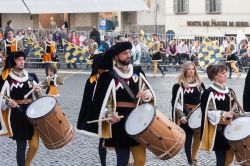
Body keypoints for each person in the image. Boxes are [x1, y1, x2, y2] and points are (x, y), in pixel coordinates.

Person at [77, 41, 156, 166]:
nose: (128, 55)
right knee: (122, 162)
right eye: (124, 53)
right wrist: (109, 115)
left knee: (140, 160)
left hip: (137, 121)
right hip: (119, 124)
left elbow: (148, 90)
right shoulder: (107, 76)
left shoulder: (137, 71)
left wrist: (147, 95)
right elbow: (100, 101)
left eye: (129, 52)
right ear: (116, 56)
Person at [0, 51, 41, 166]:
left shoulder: (31, 76)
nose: (22, 61)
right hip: (17, 115)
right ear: (14, 61)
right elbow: (2, 98)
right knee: (21, 147)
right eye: (19, 60)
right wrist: (8, 103)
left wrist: (38, 92)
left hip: (32, 113)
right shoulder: (7, 79)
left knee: (34, 145)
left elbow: (38, 98)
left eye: (23, 59)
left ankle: (27, 163)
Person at [200, 64, 240, 166]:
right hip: (218, 131)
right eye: (222, 73)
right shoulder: (208, 92)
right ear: (215, 76)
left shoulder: (230, 91)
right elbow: (208, 112)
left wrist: (236, 113)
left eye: (226, 72)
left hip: (231, 129)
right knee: (221, 160)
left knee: (230, 158)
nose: (226, 75)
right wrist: (224, 113)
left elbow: (236, 108)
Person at [171, 61, 205, 166]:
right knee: (188, 138)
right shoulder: (179, 85)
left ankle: (194, 157)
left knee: (198, 137)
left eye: (193, 69)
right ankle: (190, 160)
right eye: (189, 69)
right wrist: (181, 116)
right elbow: (175, 103)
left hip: (198, 115)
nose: (191, 71)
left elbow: (206, 99)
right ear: (185, 70)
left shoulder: (200, 84)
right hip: (185, 114)